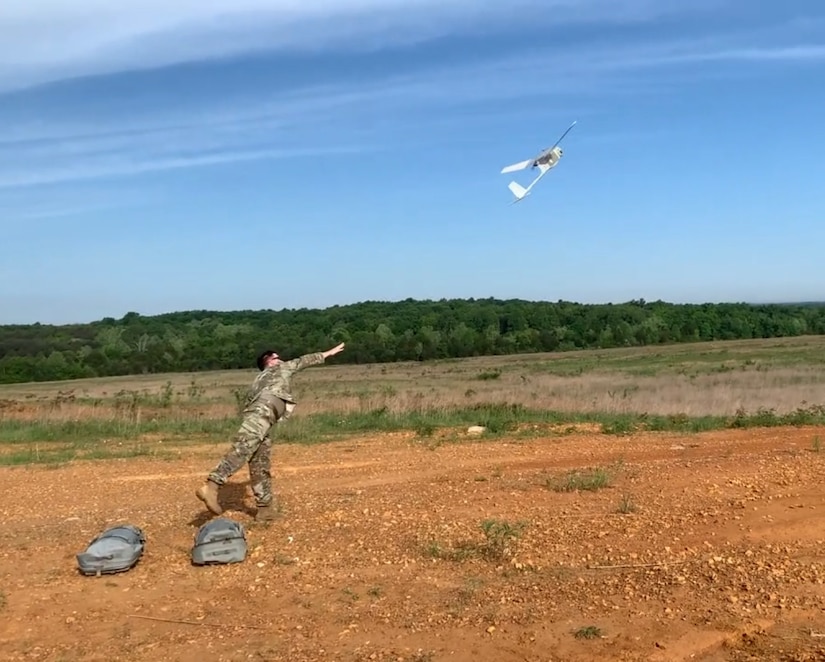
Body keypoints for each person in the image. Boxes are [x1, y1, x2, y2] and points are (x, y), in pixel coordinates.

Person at [195, 342, 346, 521]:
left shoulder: (258, 381)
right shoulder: (278, 369)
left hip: (263, 415)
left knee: (259, 462)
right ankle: (213, 485)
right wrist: (328, 353)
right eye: (276, 357)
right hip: (263, 413)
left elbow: (248, 404)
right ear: (269, 361)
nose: (281, 359)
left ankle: (265, 509)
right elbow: (303, 361)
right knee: (243, 448)